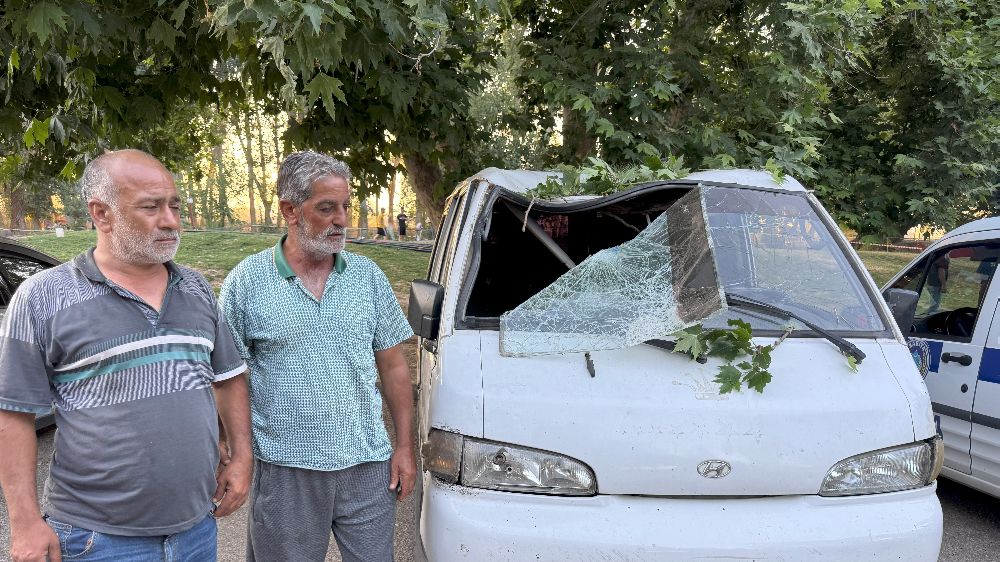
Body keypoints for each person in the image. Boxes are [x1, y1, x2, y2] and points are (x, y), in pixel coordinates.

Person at [0, 149, 252, 562]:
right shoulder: (43, 297)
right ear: (102, 214)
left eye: (174, 206)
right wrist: (25, 522)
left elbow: (228, 377)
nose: (171, 221)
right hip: (96, 539)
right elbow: (12, 414)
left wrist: (241, 457)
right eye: (151, 207)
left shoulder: (196, 288)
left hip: (196, 531)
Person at [219, 151, 416, 562]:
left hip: (367, 464)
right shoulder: (246, 282)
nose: (342, 219)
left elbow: (394, 366)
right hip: (285, 468)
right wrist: (233, 449)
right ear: (290, 210)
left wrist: (403, 446)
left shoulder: (367, 277)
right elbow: (227, 377)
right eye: (327, 208)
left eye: (345, 206)